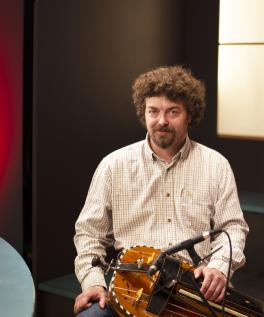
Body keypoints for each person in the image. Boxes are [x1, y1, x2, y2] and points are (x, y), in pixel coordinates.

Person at [73, 65, 249, 316]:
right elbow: (89, 234)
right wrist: (93, 282)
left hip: (195, 288)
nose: (162, 121)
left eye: (173, 112)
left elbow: (233, 227)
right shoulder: (113, 165)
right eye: (153, 111)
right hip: (130, 285)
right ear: (143, 113)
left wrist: (219, 268)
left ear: (189, 114)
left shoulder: (216, 165)